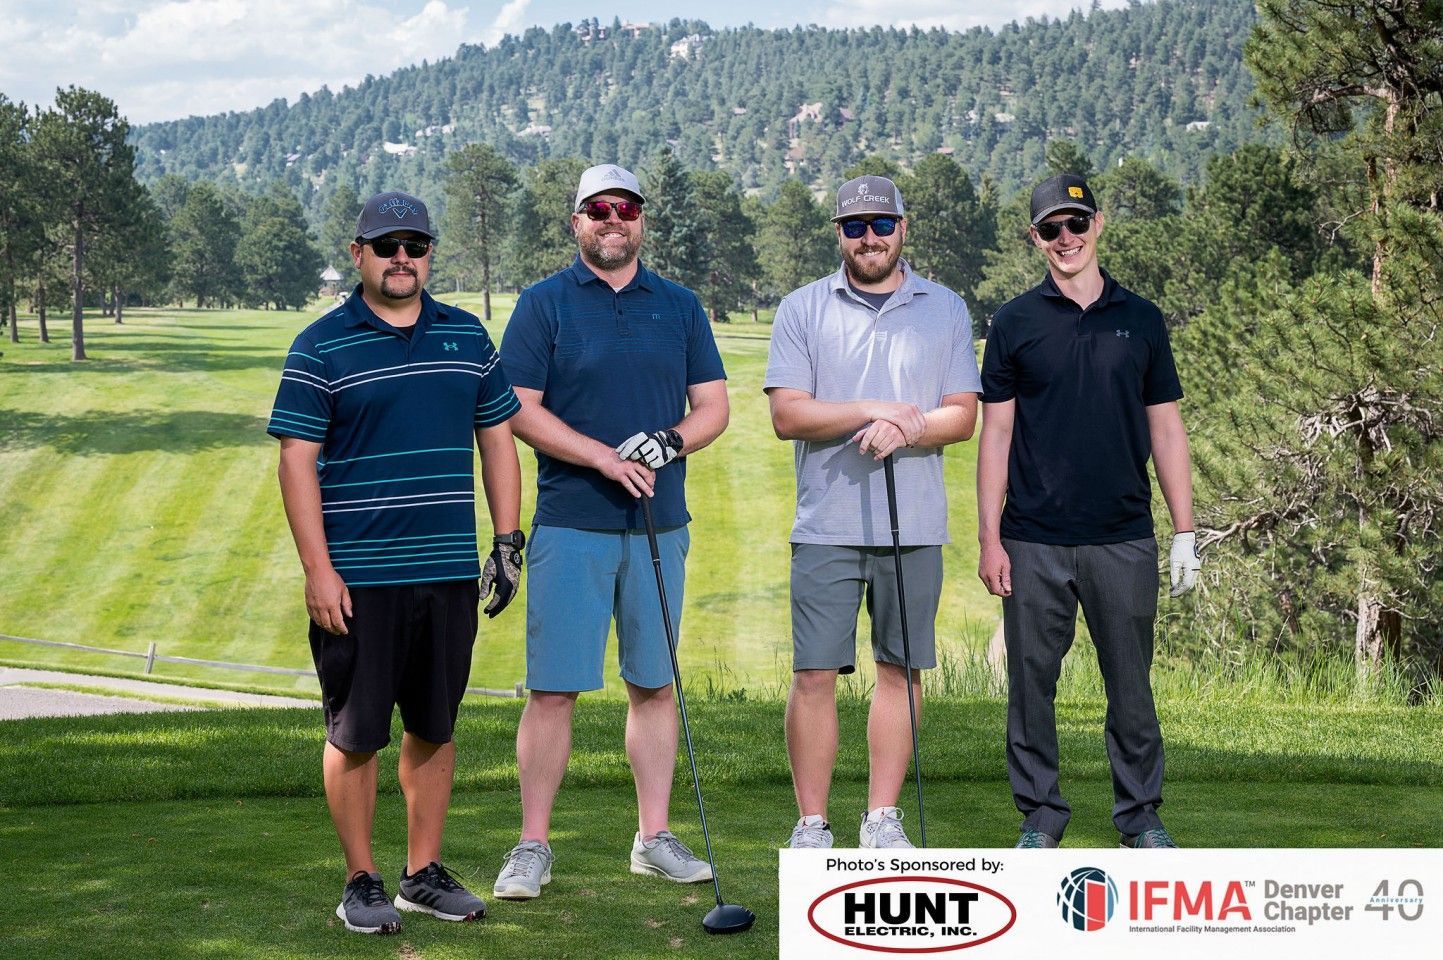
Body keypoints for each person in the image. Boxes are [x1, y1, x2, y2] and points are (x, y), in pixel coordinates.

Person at [269, 191, 524, 933]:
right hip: (359, 579)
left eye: (414, 245)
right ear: (358, 255)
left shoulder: (466, 335)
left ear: (429, 253)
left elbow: (498, 440)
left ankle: (421, 874)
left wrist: (506, 542)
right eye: (386, 247)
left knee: (435, 727)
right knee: (355, 731)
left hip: (445, 570)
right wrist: (318, 570)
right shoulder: (322, 344)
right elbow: (296, 460)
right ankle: (361, 881)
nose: (401, 258)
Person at [492, 164, 729, 899]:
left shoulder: (680, 306)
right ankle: (532, 845)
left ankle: (652, 836)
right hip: (572, 523)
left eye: (624, 208)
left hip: (660, 526)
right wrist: (600, 454)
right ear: (576, 223)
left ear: (640, 221)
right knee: (553, 690)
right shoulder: (544, 305)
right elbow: (516, 407)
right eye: (596, 209)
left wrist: (669, 441)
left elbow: (714, 406)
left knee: (653, 685)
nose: (611, 219)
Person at [976, 173, 1202, 850]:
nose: (1065, 239)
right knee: (1030, 688)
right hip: (1033, 538)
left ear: (1097, 225)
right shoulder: (1013, 322)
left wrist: (1185, 532)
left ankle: (1139, 815)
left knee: (1130, 686)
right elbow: (996, 435)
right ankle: (1040, 816)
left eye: (1076, 224)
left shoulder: (1142, 318)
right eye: (1051, 229)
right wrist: (989, 538)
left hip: (1122, 535)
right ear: (1035, 238)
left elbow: (1165, 429)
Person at [764, 175, 982, 850]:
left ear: (901, 229)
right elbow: (786, 413)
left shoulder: (943, 309)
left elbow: (961, 414)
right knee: (812, 674)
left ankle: (880, 818)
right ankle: (811, 823)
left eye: (880, 226)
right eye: (854, 226)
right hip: (825, 524)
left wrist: (907, 429)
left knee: (901, 670)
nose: (868, 239)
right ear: (838, 233)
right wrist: (874, 409)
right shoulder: (802, 308)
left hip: (911, 524)